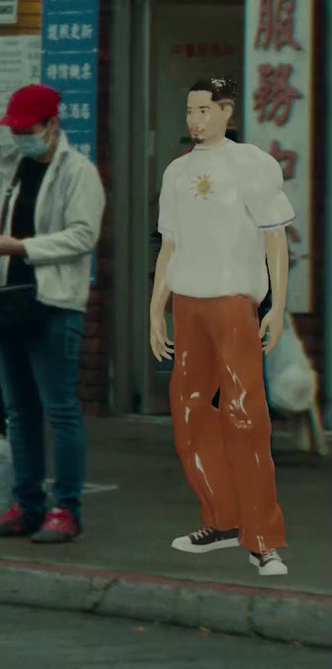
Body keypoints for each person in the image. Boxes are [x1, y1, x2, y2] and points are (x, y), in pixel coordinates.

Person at [150, 77, 293, 578]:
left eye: (206, 109)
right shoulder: (176, 172)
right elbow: (170, 244)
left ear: (227, 111)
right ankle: (221, 518)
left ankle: (262, 537)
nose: (195, 119)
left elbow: (275, 237)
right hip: (187, 302)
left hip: (234, 302)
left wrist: (276, 305)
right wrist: (155, 308)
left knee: (244, 414)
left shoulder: (251, 164)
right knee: (188, 410)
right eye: (191, 109)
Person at [0, 84, 104, 545]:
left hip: (53, 302)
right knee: (18, 411)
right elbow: (0, 225)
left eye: (27, 130)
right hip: (7, 298)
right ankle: (26, 504)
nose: (20, 138)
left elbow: (83, 236)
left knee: (60, 409)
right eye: (15, 130)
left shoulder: (78, 171)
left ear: (52, 126)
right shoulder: (13, 167)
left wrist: (24, 247)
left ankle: (66, 508)